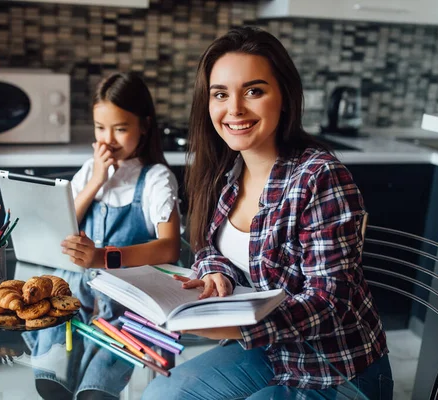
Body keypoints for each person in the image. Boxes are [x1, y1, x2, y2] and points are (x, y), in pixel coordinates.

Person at [142, 27, 392, 400]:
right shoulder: (227, 171)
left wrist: (237, 329)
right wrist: (215, 272)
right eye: (221, 94)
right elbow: (214, 248)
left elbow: (329, 301)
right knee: (159, 395)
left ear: (285, 99)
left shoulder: (320, 176)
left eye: (254, 91)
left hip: (335, 368)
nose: (235, 109)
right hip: (272, 353)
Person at [23, 72, 182, 400]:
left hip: (128, 305)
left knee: (94, 393)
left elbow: (169, 248)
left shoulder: (156, 179)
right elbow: (62, 229)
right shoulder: (90, 170)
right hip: (75, 300)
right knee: (52, 382)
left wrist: (104, 256)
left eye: (120, 129)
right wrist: (96, 180)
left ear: (145, 125)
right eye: (99, 128)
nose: (107, 140)